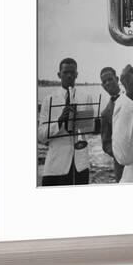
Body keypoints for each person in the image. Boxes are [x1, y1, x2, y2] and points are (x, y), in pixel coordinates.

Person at [37, 58, 93, 186]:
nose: (69, 76)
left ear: (77, 74)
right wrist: (59, 122)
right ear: (59, 74)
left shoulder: (86, 97)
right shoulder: (48, 100)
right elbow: (40, 136)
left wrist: (86, 125)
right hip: (56, 165)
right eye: (65, 72)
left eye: (72, 73)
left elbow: (88, 131)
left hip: (80, 164)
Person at [99, 67, 124, 182]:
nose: (108, 83)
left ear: (117, 79)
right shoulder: (105, 113)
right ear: (102, 86)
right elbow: (106, 143)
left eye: (110, 79)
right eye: (104, 82)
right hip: (122, 165)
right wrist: (120, 153)